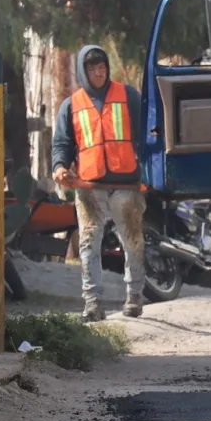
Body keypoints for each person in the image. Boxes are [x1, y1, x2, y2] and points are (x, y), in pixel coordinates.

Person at [51, 45, 147, 321]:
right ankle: (92, 302)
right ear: (84, 71)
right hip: (89, 188)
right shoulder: (71, 105)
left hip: (126, 184)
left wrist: (149, 173)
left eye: (102, 67)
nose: (98, 72)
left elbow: (146, 135)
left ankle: (134, 297)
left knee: (132, 241)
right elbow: (62, 143)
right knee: (89, 242)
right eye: (92, 68)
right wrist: (59, 166)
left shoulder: (129, 97)